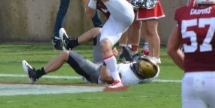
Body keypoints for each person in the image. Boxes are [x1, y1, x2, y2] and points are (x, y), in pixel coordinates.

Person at [74, 0, 137, 89]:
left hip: (125, 11)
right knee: (104, 43)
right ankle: (117, 81)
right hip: (115, 20)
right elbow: (90, 14)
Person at [23, 37, 160, 85]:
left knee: (66, 54)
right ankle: (69, 41)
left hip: (97, 73)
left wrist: (109, 58)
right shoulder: (151, 72)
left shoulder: (127, 78)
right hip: (105, 65)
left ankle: (35, 74)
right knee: (99, 32)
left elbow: (104, 77)